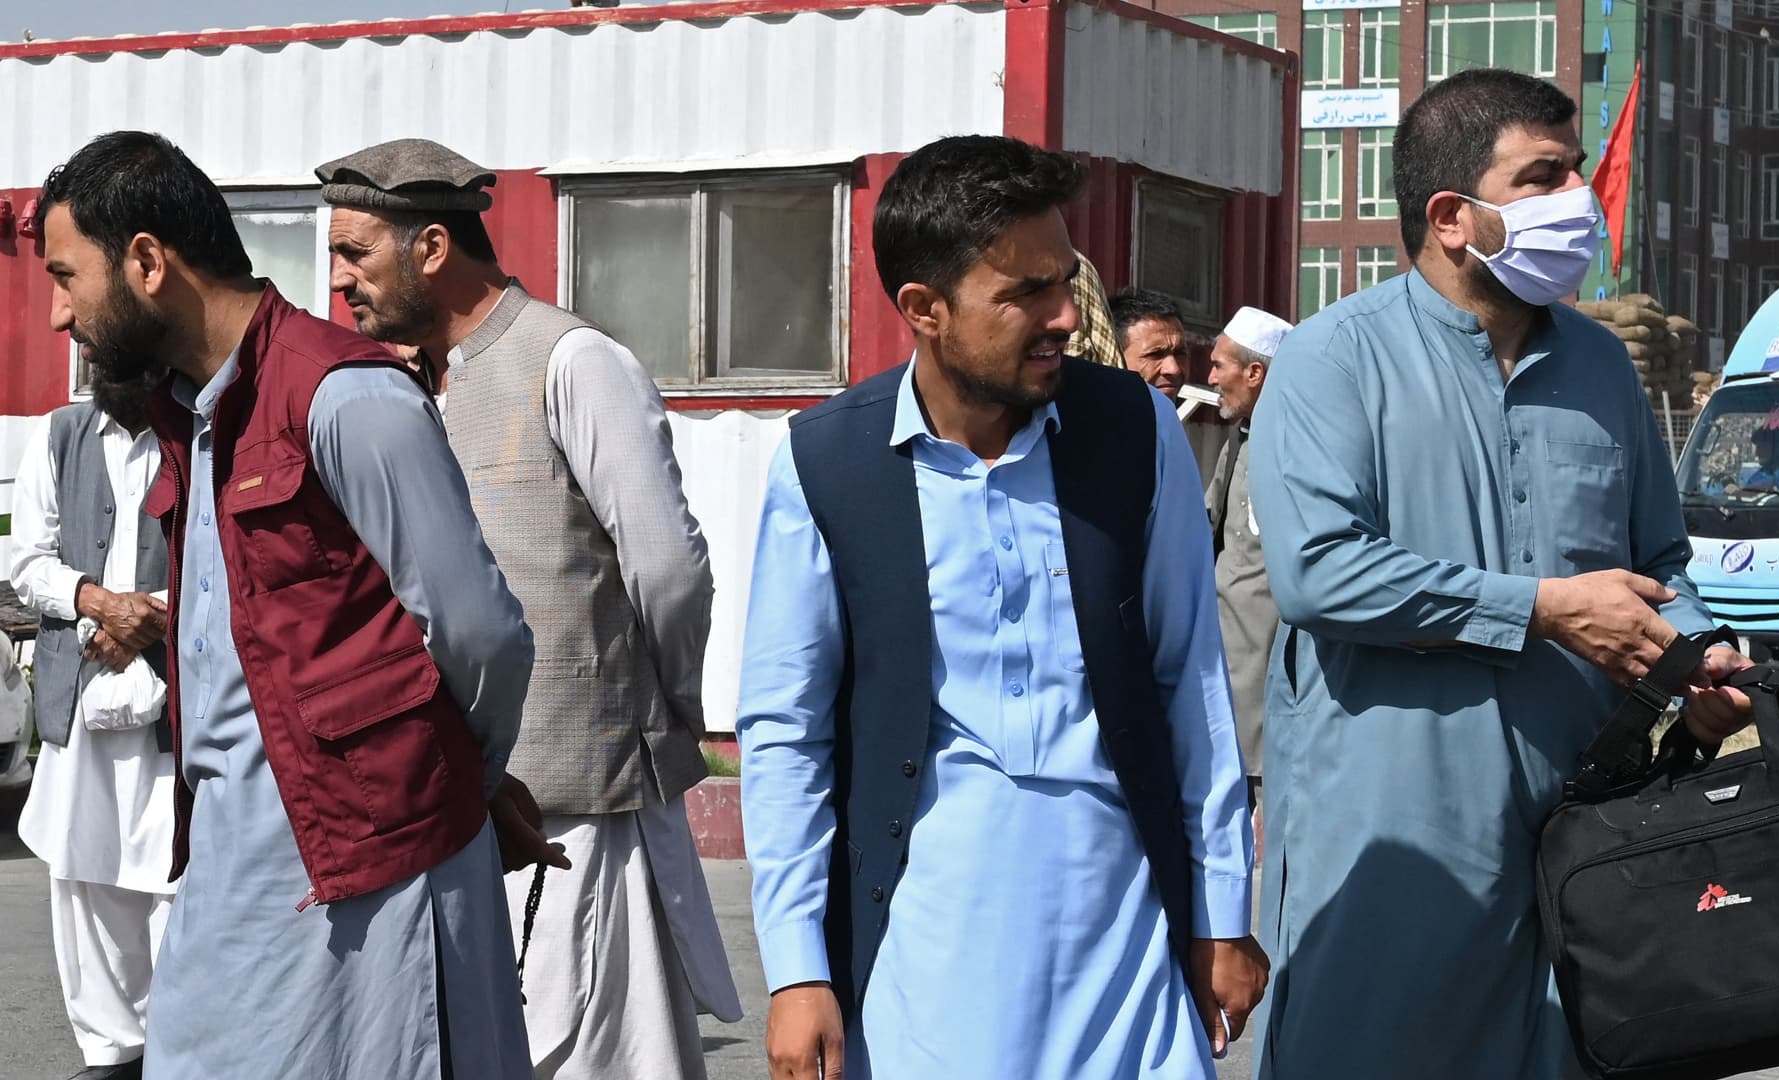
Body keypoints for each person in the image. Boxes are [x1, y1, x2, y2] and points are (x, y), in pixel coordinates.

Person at [1246, 70, 1753, 1079]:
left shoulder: (1603, 368)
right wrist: (1546, 611)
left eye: (1578, 171)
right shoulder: (1333, 362)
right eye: (1545, 177)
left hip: (1590, 823)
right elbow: (1318, 572)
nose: (1580, 201)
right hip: (1393, 834)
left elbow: (1656, 565)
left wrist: (1699, 662)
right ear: (1451, 215)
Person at [737, 134, 1263, 1080]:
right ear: (924, 310)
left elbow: (1191, 678)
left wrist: (1222, 910)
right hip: (928, 939)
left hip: (1123, 923)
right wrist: (796, 970)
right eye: (1025, 293)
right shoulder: (829, 463)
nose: (1065, 316)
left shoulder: (1132, 431)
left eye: (1065, 281)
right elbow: (785, 731)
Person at [37, 130, 549, 1080]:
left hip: (374, 874)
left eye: (68, 276)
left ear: (148, 262)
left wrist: (456, 787)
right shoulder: (193, 417)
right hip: (236, 873)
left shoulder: (346, 397)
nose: (58, 316)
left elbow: (480, 635)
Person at [315, 137, 740, 1079]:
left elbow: (668, 569)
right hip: (458, 822)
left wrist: (662, 714)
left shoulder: (573, 360)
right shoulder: (399, 380)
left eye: (355, 253)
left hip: (576, 824)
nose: (337, 278)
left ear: (431, 248)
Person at [11, 366, 173, 1080]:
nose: (98, 362)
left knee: (178, 877)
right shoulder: (58, 434)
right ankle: (110, 1055)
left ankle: (176, 1048)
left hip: (175, 716)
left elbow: (226, 561)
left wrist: (148, 616)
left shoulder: (195, 434)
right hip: (79, 705)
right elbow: (25, 561)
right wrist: (97, 603)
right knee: (84, 871)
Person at [1202, 305, 1293, 862]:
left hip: (1266, 675)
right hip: (1224, 664)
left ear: (1254, 374)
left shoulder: (1288, 445)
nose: (1209, 378)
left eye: (1219, 366)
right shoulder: (1239, 437)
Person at [1110, 286, 1231, 483]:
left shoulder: (1169, 433)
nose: (1173, 369)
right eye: (1155, 355)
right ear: (1114, 356)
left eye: (1180, 353)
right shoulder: (1089, 437)